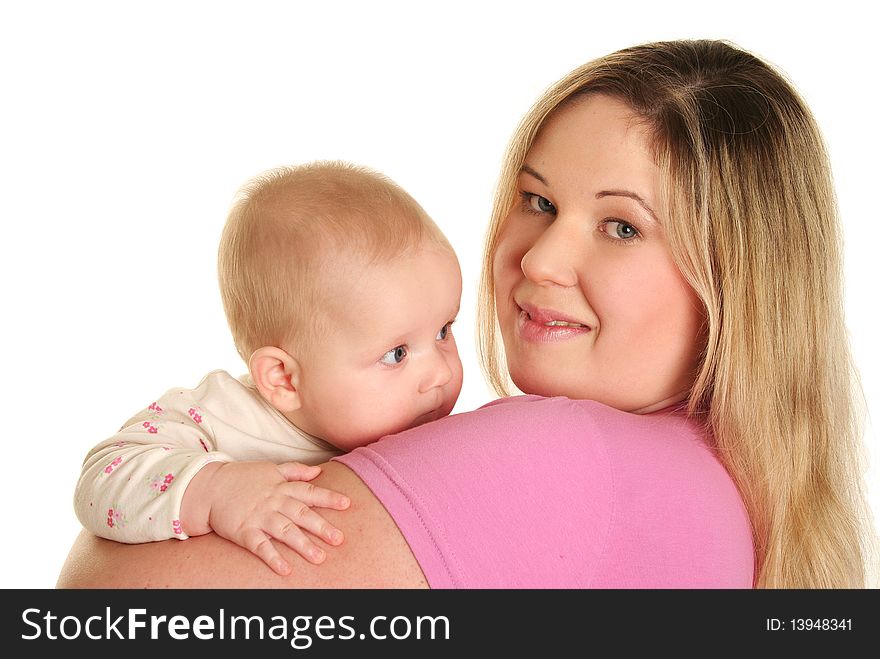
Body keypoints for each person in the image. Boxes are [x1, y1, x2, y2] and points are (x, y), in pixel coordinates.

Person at [58, 39, 874, 589]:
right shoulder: (735, 497)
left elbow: (103, 610)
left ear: (739, 281)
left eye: (621, 226)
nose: (540, 259)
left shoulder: (566, 455)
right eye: (537, 200)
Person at [72, 161, 464, 576]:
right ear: (283, 379)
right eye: (396, 354)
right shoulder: (222, 418)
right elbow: (99, 481)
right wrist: (216, 489)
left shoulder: (419, 429)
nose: (439, 373)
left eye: (443, 331)